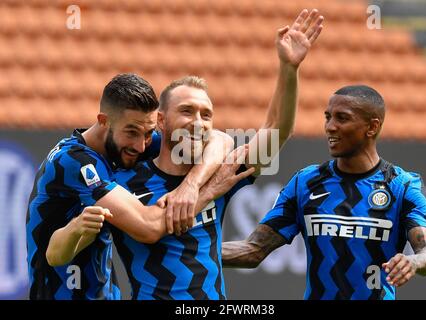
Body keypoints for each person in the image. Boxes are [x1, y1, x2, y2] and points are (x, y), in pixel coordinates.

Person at [108, 8, 324, 300]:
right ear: (161, 121)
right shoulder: (124, 181)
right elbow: (147, 229)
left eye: (206, 114)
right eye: (186, 111)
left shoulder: (221, 171)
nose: (198, 122)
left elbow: (275, 131)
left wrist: (289, 68)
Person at [221, 85, 426, 300]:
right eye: (328, 117)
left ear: (372, 127)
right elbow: (254, 250)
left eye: (342, 118)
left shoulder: (402, 185)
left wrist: (414, 261)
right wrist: (191, 249)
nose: (330, 127)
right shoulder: (305, 183)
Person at [27, 73, 233, 300]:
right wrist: (208, 192)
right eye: (132, 133)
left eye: (148, 133)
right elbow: (148, 227)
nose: (142, 146)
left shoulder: (128, 141)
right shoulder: (73, 161)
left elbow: (220, 139)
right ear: (104, 121)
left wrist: (191, 185)